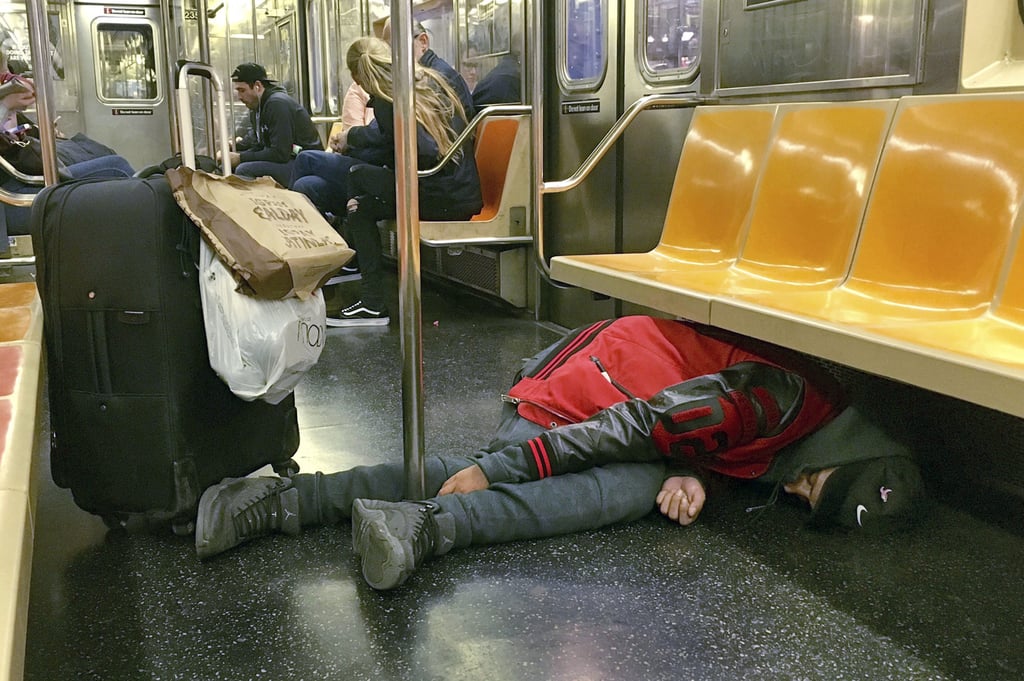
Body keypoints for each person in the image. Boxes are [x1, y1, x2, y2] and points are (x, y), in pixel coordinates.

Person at [194, 316, 926, 591]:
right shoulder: (780, 398)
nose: (800, 492)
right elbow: (641, 422)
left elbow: (708, 431)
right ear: (850, 449)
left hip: (621, 388)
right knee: (587, 484)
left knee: (632, 487)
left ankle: (294, 503)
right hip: (589, 387)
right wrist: (499, 468)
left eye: (812, 504)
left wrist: (693, 472)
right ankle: (414, 523)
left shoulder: (803, 424)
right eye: (820, 482)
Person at [323, 37, 482, 327]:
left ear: (358, 76)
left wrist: (359, 144)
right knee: (364, 207)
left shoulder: (389, 100)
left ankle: (369, 295)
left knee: (356, 176)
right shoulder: (427, 79)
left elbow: (422, 151)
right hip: (459, 188)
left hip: (439, 191)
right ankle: (371, 301)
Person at [1, 47, 134, 238]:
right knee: (116, 169)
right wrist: (6, 104)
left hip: (19, 181)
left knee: (105, 157)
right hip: (12, 199)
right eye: (4, 78)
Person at [226, 63, 322, 187]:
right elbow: (258, 142)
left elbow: (280, 153)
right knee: (232, 166)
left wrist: (240, 158)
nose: (239, 97)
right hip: (291, 158)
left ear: (257, 86)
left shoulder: (277, 105)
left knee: (244, 169)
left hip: (305, 162)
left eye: (242, 90)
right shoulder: (257, 108)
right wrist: (234, 148)